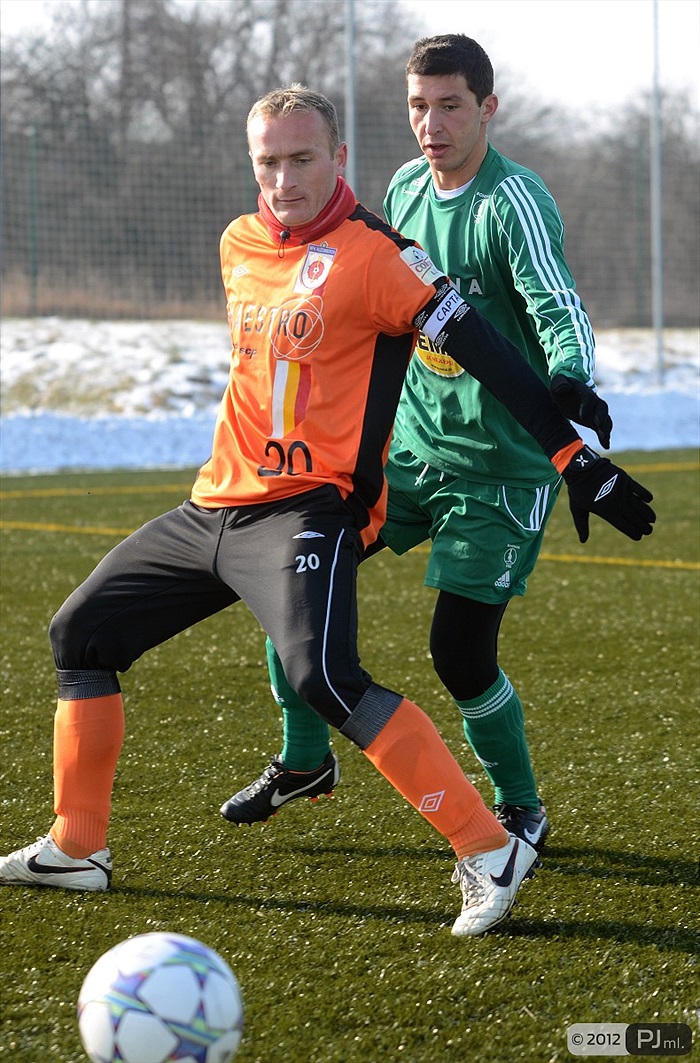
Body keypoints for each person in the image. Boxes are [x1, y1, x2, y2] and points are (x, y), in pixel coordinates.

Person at [0, 86, 654, 938]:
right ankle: (77, 847)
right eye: (268, 161)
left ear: (337, 159)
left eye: (301, 158)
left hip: (307, 514)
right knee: (79, 633)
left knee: (324, 673)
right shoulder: (238, 243)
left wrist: (572, 454)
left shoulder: (382, 253)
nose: (283, 178)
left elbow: (485, 349)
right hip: (213, 506)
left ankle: (490, 849)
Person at [220, 35, 632, 849]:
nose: (430, 124)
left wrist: (570, 378)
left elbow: (557, 305)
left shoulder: (513, 201)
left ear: (487, 107)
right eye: (418, 106)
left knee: (459, 650)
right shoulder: (406, 185)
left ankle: (521, 805)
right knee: (291, 585)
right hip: (407, 453)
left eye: (449, 106)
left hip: (500, 469)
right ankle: (305, 759)